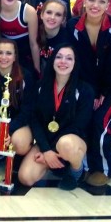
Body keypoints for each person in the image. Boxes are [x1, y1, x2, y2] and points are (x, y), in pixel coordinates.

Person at [67, 0, 111, 186]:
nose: (95, 5)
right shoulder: (73, 25)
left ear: (108, 5)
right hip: (87, 84)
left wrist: (101, 92)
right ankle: (84, 166)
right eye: (92, 0)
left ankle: (103, 168)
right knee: (84, 120)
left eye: (101, 1)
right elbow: (79, 62)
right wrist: (90, 93)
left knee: (101, 123)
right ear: (84, 1)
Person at [18, 44, 94, 190]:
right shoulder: (41, 86)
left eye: (69, 58)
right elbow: (35, 120)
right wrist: (46, 150)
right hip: (46, 143)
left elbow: (79, 126)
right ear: (52, 60)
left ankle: (76, 170)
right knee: (25, 177)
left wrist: (51, 150)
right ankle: (53, 164)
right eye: (59, 57)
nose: (63, 61)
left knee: (66, 144)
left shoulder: (85, 90)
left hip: (72, 142)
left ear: (75, 63)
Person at [0, 38, 34, 160]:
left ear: (15, 57)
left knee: (19, 143)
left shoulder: (26, 76)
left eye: (8, 53)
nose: (4, 57)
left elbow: (27, 110)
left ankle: (16, 158)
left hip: (18, 122)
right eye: (0, 53)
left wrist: (9, 128)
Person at [37, 0, 69, 72]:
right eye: (49, 12)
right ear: (41, 15)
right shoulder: (34, 33)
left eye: (58, 14)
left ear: (63, 20)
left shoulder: (67, 40)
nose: (52, 17)